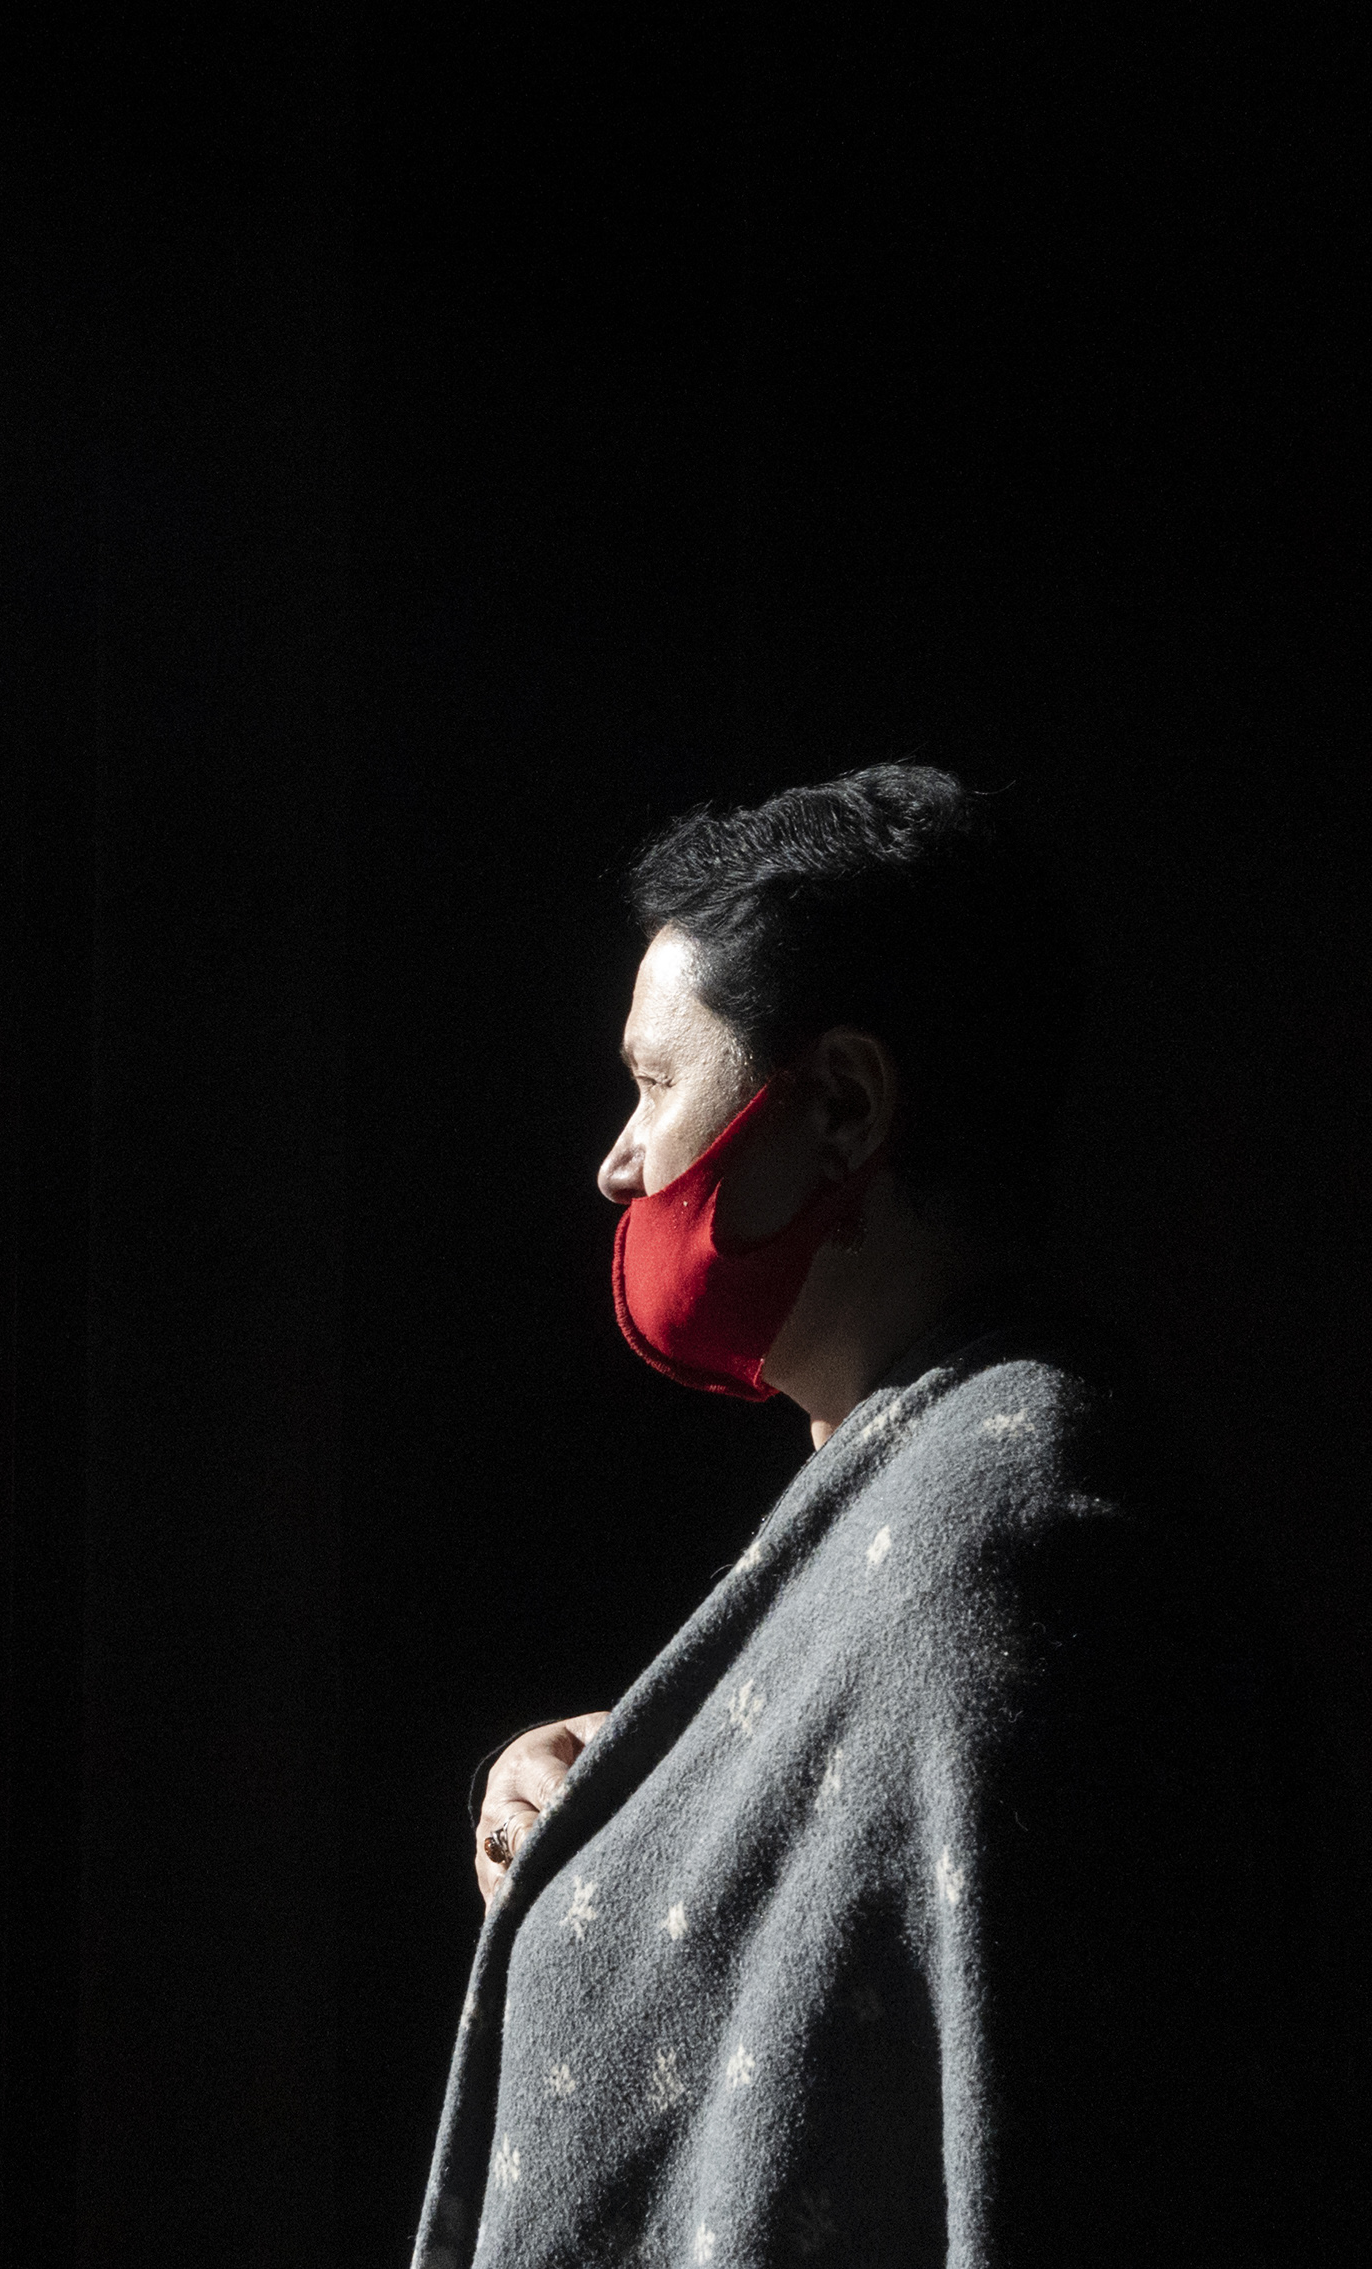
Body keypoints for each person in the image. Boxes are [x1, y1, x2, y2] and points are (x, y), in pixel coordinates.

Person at [414, 764, 1302, 2268]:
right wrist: (629, 1783)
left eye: (655, 1082)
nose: (619, 1162)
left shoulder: (1005, 1542)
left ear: (840, 1108)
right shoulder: (921, 1495)